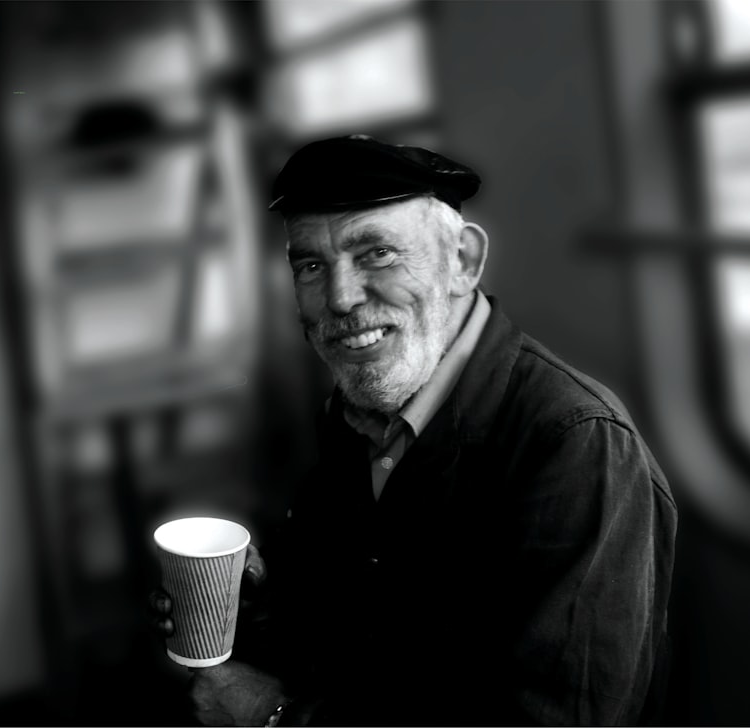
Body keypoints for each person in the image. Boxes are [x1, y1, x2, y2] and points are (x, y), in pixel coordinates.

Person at [152, 135, 677, 726]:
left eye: (377, 253)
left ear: (463, 262)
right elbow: (363, 634)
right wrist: (259, 603)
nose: (340, 298)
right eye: (310, 266)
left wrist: (271, 716)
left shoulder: (575, 443)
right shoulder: (355, 411)